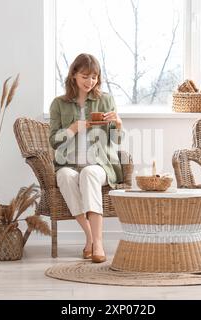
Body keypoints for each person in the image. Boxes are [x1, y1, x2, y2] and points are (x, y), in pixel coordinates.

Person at [48, 53, 124, 263]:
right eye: (85, 76)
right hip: (68, 163)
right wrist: (72, 129)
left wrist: (118, 124)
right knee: (63, 175)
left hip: (99, 165)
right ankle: (90, 237)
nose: (90, 82)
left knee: (89, 173)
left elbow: (115, 141)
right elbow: (54, 141)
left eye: (94, 77)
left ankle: (97, 243)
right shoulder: (59, 104)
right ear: (73, 75)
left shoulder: (105, 100)